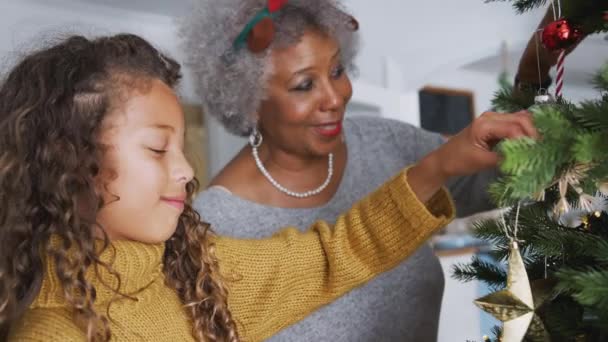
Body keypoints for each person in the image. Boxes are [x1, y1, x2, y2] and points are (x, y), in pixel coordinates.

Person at [0, 34, 535, 341]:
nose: (187, 170)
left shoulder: (196, 271)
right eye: (158, 149)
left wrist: (440, 164)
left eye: (182, 148)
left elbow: (334, 253)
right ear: (71, 163)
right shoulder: (52, 334)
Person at [181, 1, 526, 340]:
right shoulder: (215, 224)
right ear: (248, 101)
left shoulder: (385, 143)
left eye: (336, 71)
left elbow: (499, 181)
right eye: (304, 85)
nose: (334, 98)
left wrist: (537, 87)